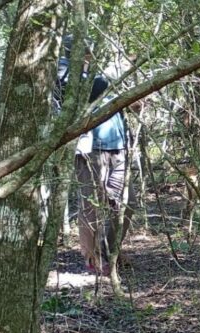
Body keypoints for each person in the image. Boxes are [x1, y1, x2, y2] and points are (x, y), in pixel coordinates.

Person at [67, 36, 135, 276]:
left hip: (118, 148)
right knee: (91, 206)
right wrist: (121, 70)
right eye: (84, 52)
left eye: (89, 52)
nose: (88, 56)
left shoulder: (102, 79)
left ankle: (110, 252)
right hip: (90, 151)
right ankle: (93, 258)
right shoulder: (71, 77)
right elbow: (91, 88)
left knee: (125, 203)